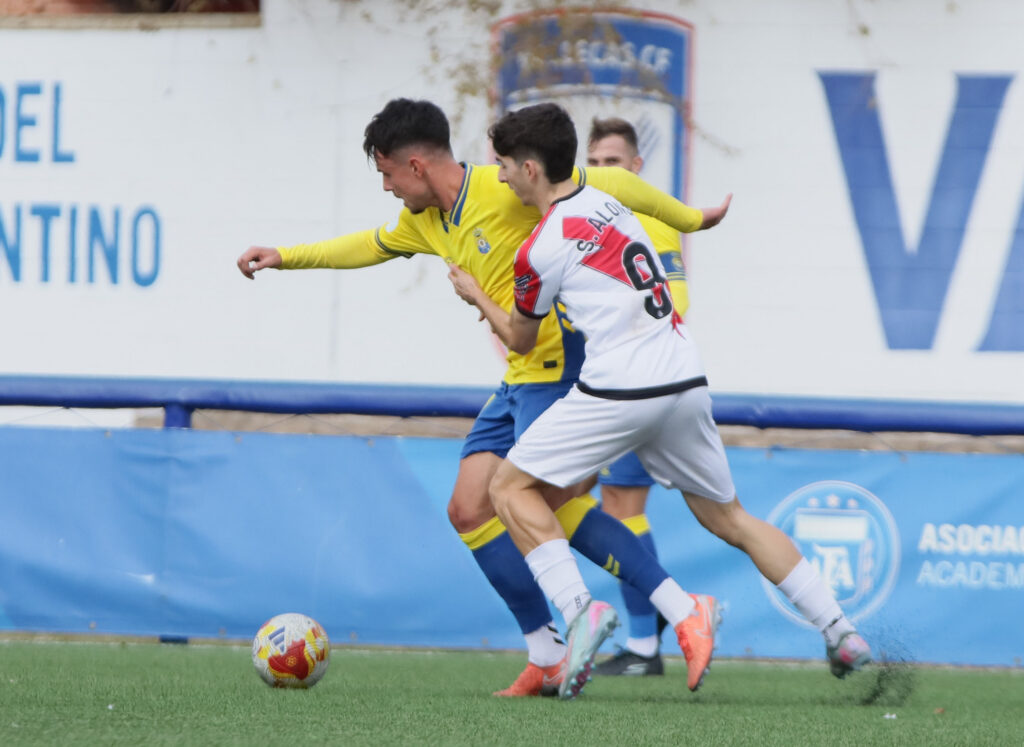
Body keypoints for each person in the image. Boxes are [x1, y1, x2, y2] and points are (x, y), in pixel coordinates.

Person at [237, 98, 732, 698]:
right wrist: (285, 258)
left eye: (388, 174)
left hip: (561, 368)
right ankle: (550, 651)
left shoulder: (503, 188)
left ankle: (664, 610)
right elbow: (365, 245)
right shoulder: (423, 221)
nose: (387, 188)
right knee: (469, 510)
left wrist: (690, 219)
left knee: (539, 501)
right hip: (520, 376)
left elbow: (618, 184)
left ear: (415, 165)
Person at [447, 102, 872, 699]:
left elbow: (519, 338)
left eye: (506, 166)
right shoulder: (613, 206)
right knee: (731, 518)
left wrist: (476, 296)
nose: (501, 177)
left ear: (531, 169)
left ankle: (579, 612)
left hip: (621, 386)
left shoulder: (539, 247)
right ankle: (840, 630)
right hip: (684, 376)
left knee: (508, 488)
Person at [586, 116, 689, 677]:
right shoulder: (584, 220)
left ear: (636, 167)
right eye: (595, 163)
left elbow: (678, 303)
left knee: (620, 509)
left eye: (614, 163)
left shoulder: (652, 219)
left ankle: (652, 637)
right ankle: (663, 617)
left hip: (639, 382)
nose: (604, 172)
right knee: (615, 507)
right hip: (608, 382)